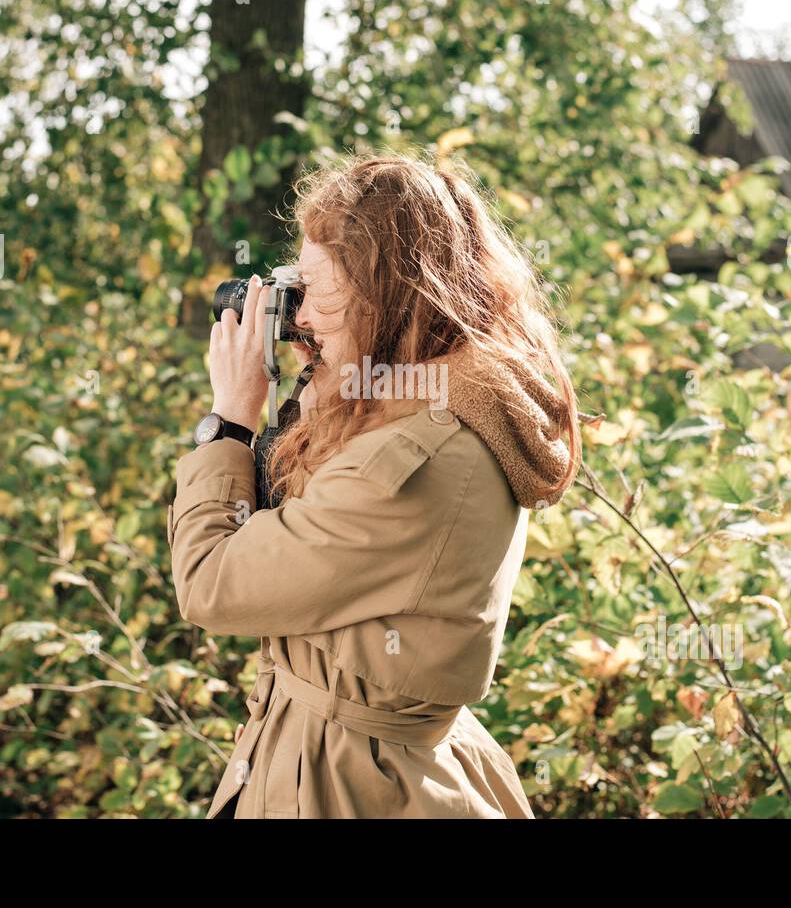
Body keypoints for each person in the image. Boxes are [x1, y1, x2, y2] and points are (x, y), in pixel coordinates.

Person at [166, 153, 581, 818]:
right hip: (331, 760)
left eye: (318, 289)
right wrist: (321, 362)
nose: (302, 313)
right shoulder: (419, 395)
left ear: (388, 292)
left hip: (354, 785)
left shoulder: (423, 457)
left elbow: (212, 581)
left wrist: (231, 423)